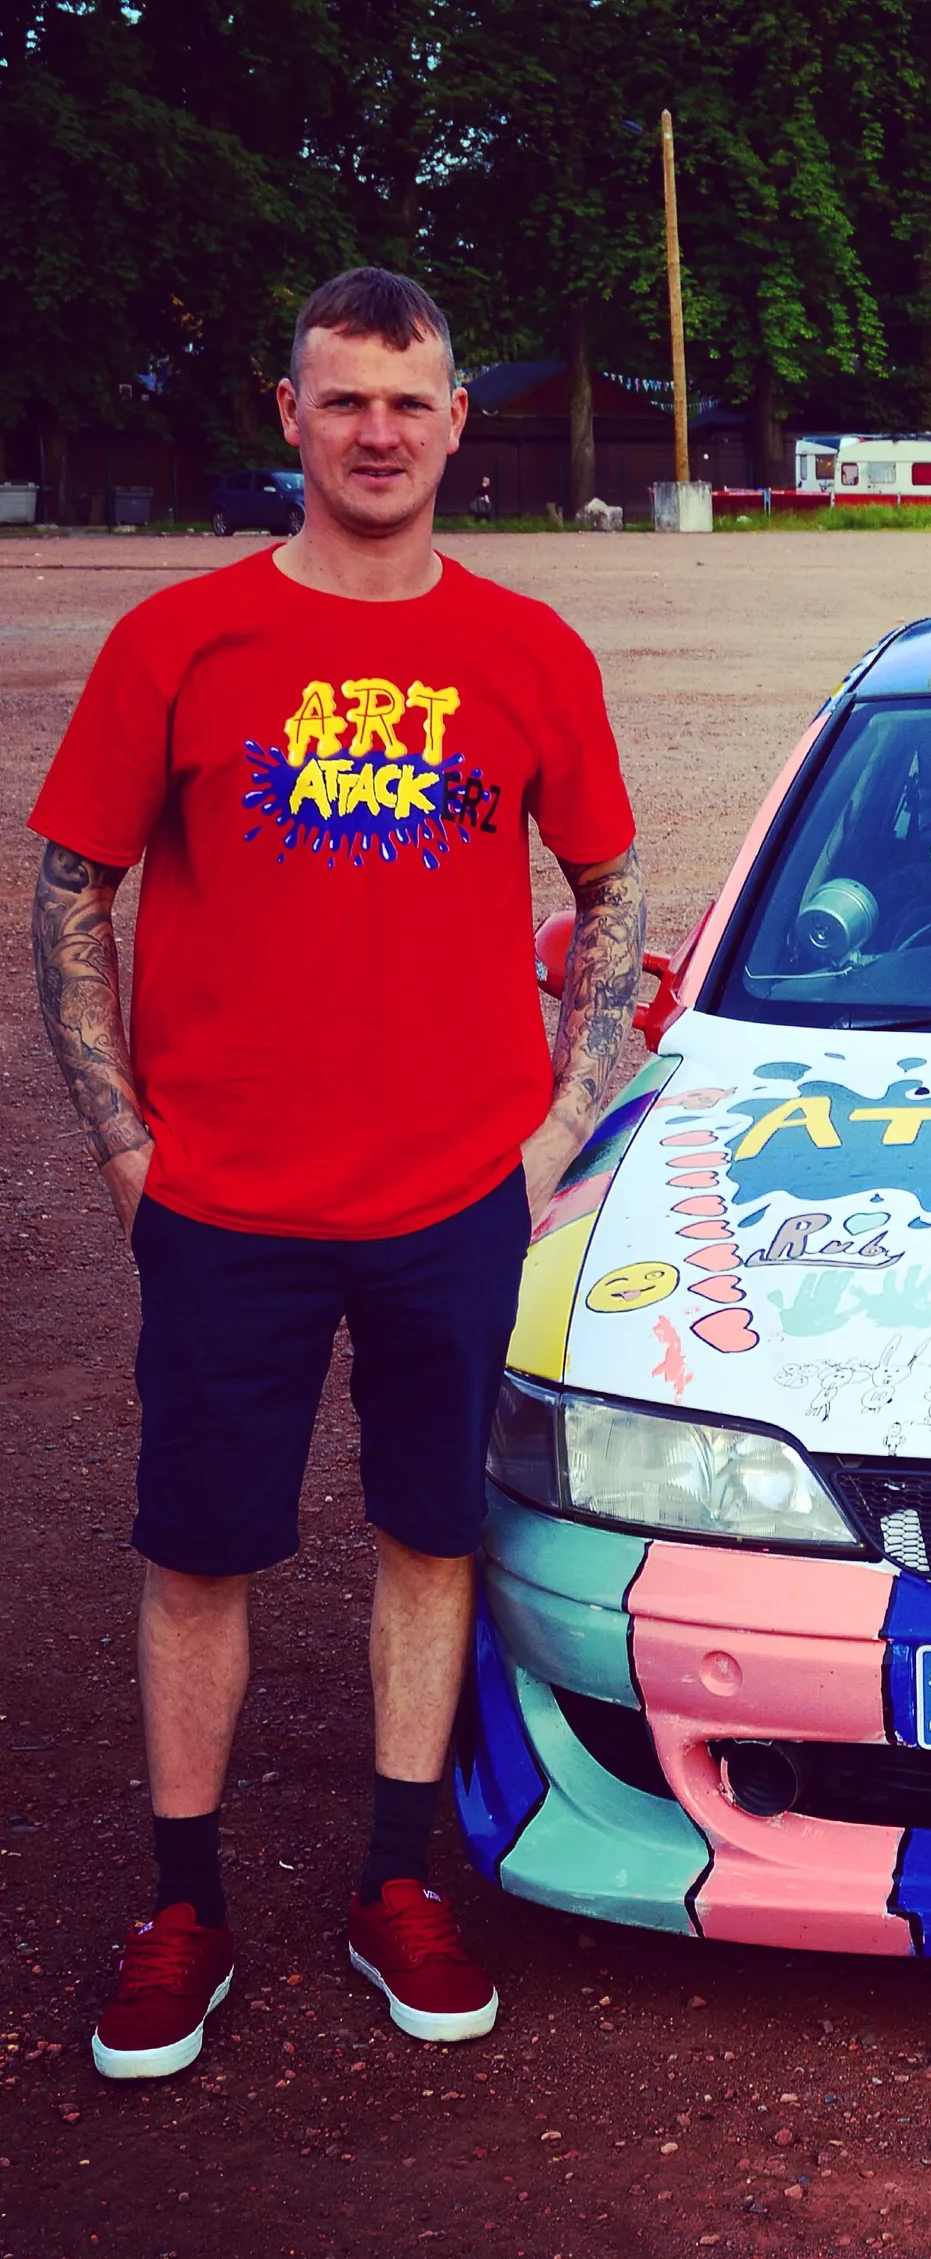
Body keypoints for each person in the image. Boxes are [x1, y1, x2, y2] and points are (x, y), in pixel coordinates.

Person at [29, 267, 647, 2080]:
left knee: (430, 1533)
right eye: (343, 398)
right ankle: (181, 1904)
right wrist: (126, 1142)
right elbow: (73, 878)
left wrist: (550, 1127)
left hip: (451, 1197)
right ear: (286, 415)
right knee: (197, 1547)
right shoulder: (183, 643)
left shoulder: (530, 650)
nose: (378, 431)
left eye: (411, 398)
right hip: (225, 1201)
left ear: (460, 421)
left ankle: (400, 1877)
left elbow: (611, 889)